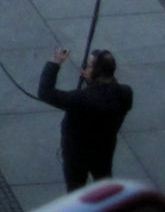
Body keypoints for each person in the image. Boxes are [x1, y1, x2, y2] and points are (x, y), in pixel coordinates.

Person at [37, 47, 134, 192]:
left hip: (76, 154)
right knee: (104, 184)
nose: (83, 69)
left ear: (97, 72)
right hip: (104, 150)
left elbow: (45, 92)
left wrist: (55, 62)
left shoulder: (81, 99)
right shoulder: (125, 92)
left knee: (75, 190)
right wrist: (91, 82)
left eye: (88, 66)